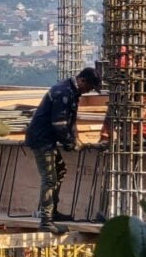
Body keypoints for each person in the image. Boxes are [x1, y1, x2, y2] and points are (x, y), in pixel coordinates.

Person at [24, 67, 102, 234]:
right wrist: (70, 143)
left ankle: (53, 213)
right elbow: (59, 124)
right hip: (41, 140)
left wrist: (75, 138)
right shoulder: (63, 93)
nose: (88, 91)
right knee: (50, 178)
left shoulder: (72, 92)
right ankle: (46, 220)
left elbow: (71, 120)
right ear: (82, 81)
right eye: (88, 88)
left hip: (47, 139)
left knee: (60, 170)